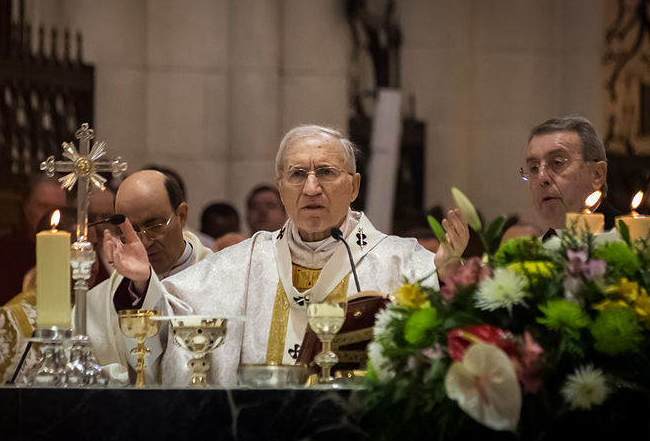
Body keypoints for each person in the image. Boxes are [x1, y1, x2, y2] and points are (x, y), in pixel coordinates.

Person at [88, 124, 468, 386]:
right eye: (297, 174)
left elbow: (444, 356)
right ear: (280, 187)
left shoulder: (405, 262)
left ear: (354, 186)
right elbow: (172, 329)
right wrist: (142, 282)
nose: (312, 187)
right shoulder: (241, 264)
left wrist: (447, 279)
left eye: (325, 172)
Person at [85, 169, 212, 383]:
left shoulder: (220, 277)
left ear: (181, 215)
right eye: (130, 230)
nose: (143, 242)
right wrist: (140, 285)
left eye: (154, 226)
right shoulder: (99, 300)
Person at [0, 207, 90, 384]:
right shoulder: (12, 318)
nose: (88, 260)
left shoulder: (101, 310)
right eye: (76, 250)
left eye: (94, 248)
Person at [0, 174, 67, 350]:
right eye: (43, 207)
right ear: (26, 208)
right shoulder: (0, 252)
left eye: (58, 209)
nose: (50, 217)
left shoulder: (75, 255)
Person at [523, 116, 621, 240]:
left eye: (557, 163)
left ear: (597, 175)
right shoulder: (534, 252)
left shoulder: (640, 242)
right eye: (534, 168)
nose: (542, 178)